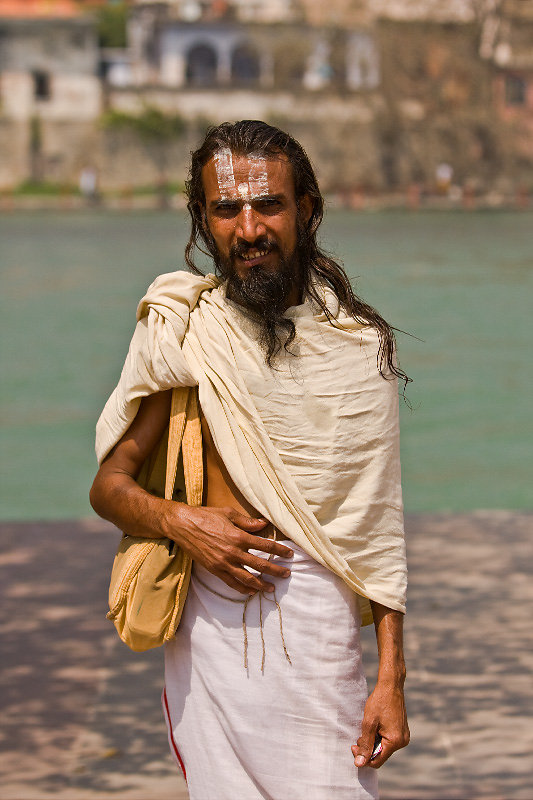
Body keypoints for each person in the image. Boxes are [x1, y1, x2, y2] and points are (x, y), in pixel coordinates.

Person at [90, 120, 410, 800]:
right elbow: (109, 487)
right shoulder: (185, 334)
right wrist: (182, 521)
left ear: (307, 211)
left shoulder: (358, 350)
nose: (249, 228)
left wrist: (390, 679)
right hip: (205, 629)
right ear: (204, 221)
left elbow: (377, 532)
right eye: (226, 209)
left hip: (317, 631)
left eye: (268, 204)